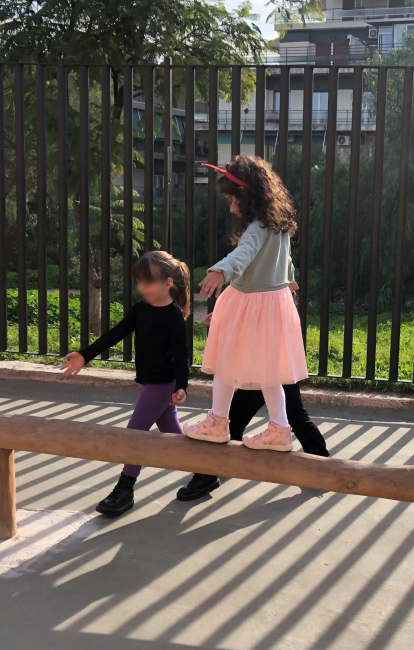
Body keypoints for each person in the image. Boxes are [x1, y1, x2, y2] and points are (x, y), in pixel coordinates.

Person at [182, 156, 308, 451]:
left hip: (250, 303)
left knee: (225, 363)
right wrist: (289, 278)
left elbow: (244, 253)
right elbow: (285, 257)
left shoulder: (256, 227)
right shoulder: (277, 224)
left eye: (232, 200)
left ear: (246, 195)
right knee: (270, 372)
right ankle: (280, 429)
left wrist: (221, 270)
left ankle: (218, 421)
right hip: (274, 303)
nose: (230, 207)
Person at [60, 250, 191, 517]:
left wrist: (181, 385)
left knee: (134, 434)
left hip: (162, 384)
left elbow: (182, 353)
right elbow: (116, 333)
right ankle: (206, 471)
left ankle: (125, 488)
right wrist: (85, 355)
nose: (142, 288)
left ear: (168, 283)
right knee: (174, 436)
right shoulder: (141, 309)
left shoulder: (173, 315)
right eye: (139, 282)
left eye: (148, 282)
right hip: (152, 381)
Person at [177, 312, 328, 500]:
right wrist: (226, 317)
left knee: (295, 418)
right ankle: (208, 474)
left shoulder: (274, 297)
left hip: (271, 357)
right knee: (232, 422)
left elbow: (262, 306)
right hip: (257, 360)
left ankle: (324, 468)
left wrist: (228, 317)